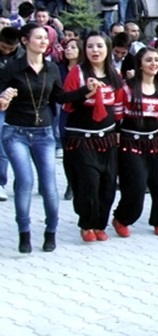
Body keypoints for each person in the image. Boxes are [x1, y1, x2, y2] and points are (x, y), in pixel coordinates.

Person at [0, 23, 93, 253]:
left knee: (49, 186)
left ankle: (51, 231)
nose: (43, 41)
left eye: (46, 38)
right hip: (15, 132)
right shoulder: (11, 68)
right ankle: (24, 233)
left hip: (44, 133)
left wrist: (85, 91)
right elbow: (1, 97)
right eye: (38, 37)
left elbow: (60, 97)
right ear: (25, 41)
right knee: (25, 182)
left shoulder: (51, 69)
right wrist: (3, 98)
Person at [61, 32, 125, 243]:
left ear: (107, 49)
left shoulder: (114, 73)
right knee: (89, 182)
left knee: (107, 185)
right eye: (90, 46)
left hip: (107, 138)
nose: (95, 51)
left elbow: (117, 107)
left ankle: (100, 224)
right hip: (81, 138)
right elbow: (65, 102)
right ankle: (86, 223)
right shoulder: (77, 73)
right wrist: (85, 92)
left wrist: (117, 133)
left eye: (99, 46)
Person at [112, 47, 158, 237]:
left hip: (155, 141)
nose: (154, 64)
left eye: (157, 60)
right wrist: (116, 136)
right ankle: (122, 218)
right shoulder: (128, 87)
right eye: (149, 60)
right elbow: (117, 113)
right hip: (130, 141)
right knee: (137, 184)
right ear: (140, 64)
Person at [0, 26, 24, 202]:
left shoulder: (22, 56)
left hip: (17, 106)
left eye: (10, 48)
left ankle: (19, 182)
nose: (7, 51)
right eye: (4, 47)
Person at [58, 38, 83, 201]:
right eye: (67, 47)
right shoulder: (59, 69)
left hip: (82, 114)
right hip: (65, 112)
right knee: (68, 149)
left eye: (73, 47)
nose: (69, 50)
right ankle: (70, 183)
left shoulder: (85, 70)